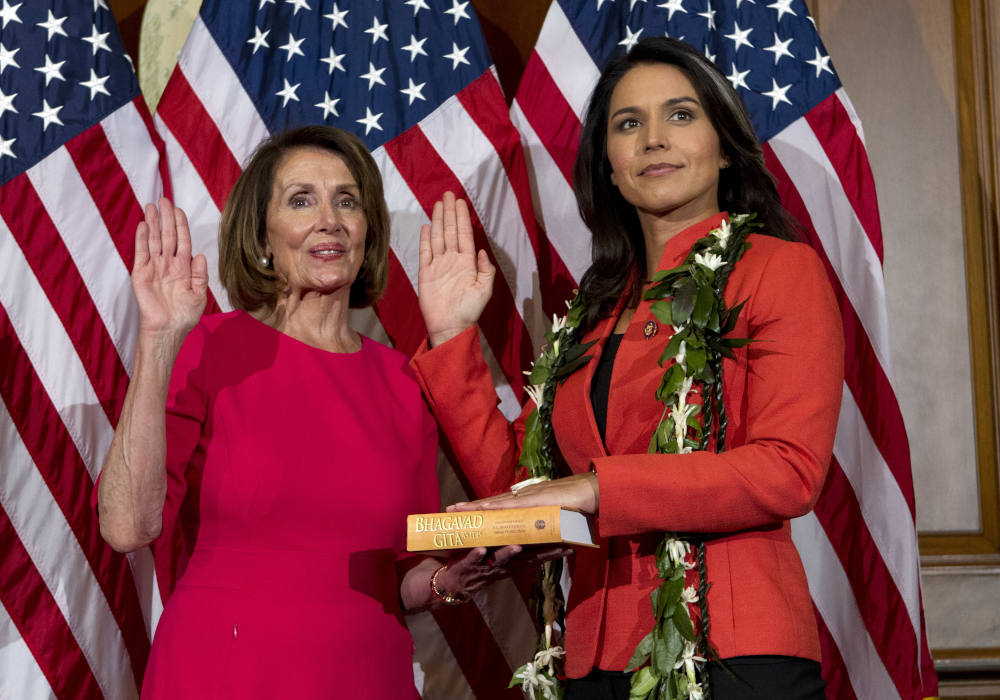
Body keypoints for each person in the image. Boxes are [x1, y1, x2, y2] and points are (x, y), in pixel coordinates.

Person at [410, 38, 844, 699]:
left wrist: (592, 490)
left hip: (733, 655)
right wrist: (450, 335)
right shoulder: (594, 312)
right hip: (594, 662)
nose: (652, 140)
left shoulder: (778, 270)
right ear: (608, 167)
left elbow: (788, 471)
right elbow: (526, 490)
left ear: (725, 145)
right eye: (627, 124)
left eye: (680, 115)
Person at [96, 125, 540, 698]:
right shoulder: (209, 348)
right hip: (225, 672)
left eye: (347, 201)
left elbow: (400, 572)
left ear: (365, 234)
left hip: (366, 677)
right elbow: (128, 527)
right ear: (263, 237)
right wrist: (158, 339)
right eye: (301, 199)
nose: (329, 218)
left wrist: (444, 580)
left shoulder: (404, 383)